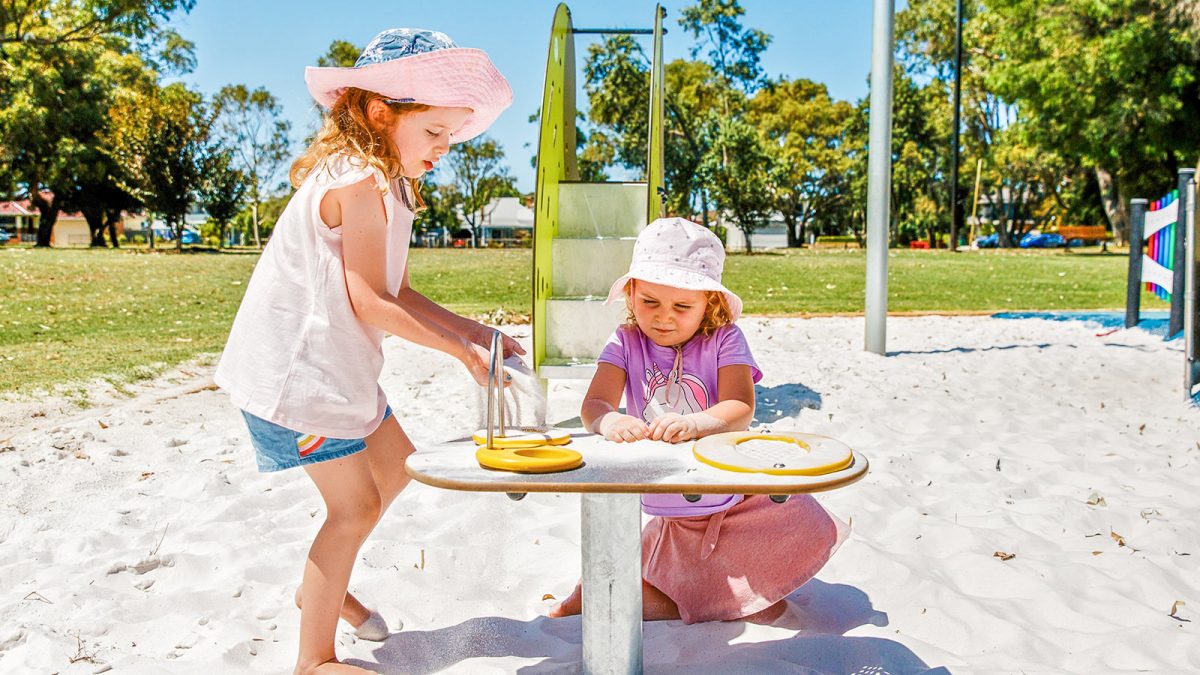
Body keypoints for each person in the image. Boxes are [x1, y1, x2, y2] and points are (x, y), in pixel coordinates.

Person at [214, 29, 515, 674]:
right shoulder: (359, 179)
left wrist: (475, 332)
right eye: (433, 131)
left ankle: (320, 588)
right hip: (299, 379)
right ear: (380, 112)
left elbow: (394, 288)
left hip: (336, 369)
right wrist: (459, 353)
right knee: (355, 508)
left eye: (451, 135)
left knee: (397, 468)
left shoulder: (388, 183)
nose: (445, 147)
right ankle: (314, 659)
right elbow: (369, 302)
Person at [549, 217, 847, 624]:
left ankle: (619, 594)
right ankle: (598, 596)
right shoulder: (625, 340)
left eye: (682, 307)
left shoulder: (725, 339)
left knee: (770, 589)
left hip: (731, 489)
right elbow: (595, 403)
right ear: (631, 293)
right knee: (708, 595)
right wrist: (610, 422)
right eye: (649, 302)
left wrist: (697, 423)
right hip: (675, 494)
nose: (663, 318)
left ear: (710, 303)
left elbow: (741, 406)